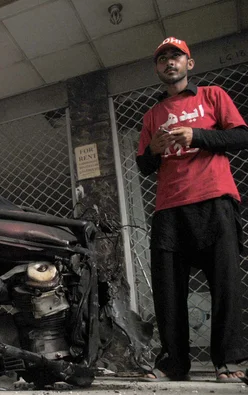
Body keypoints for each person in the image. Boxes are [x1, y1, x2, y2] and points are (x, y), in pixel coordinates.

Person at [136, 37, 248, 383]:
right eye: (163, 59)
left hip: (215, 199)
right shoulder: (152, 115)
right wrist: (153, 150)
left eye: (176, 57)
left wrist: (197, 136)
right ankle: (173, 362)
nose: (169, 63)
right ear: (157, 68)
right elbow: (143, 165)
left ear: (190, 63)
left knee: (225, 284)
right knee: (169, 291)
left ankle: (229, 360)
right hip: (169, 209)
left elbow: (241, 136)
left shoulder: (213, 95)